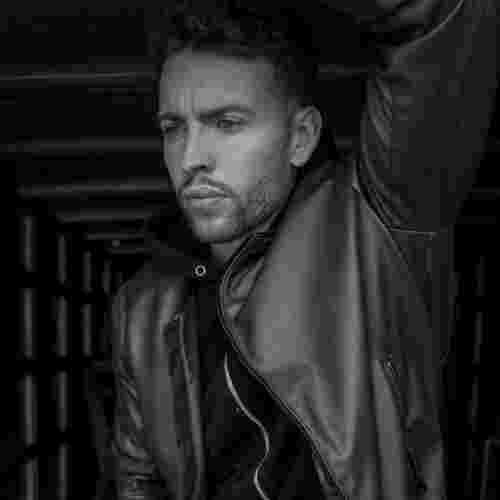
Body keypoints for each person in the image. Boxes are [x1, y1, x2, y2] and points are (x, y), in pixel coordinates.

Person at [109, 1, 497, 499]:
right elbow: (139, 480)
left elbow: (442, 21)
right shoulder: (143, 308)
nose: (190, 158)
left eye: (227, 123)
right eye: (173, 128)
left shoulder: (376, 227)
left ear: (301, 137)